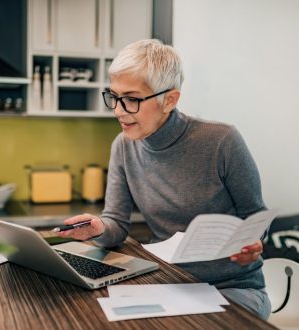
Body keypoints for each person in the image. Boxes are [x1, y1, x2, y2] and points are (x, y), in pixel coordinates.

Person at [58, 39, 271, 320]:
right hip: (170, 284)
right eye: (114, 96)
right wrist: (98, 228)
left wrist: (252, 245)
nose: (119, 111)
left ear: (169, 99)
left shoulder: (222, 141)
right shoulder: (123, 146)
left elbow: (255, 218)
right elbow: (117, 225)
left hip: (234, 287)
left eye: (132, 99)